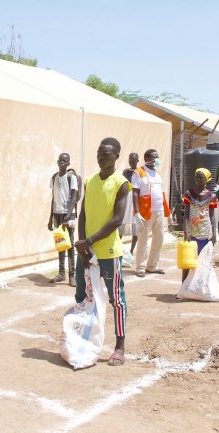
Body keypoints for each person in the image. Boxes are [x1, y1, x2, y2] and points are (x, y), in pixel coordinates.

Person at [74, 137, 130, 366]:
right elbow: (84, 214)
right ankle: (83, 339)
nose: (100, 156)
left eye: (105, 153)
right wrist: (81, 245)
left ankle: (120, 346)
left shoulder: (121, 183)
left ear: (116, 156)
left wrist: (89, 240)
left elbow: (117, 220)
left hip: (108, 251)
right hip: (86, 251)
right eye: (99, 153)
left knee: (116, 299)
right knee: (81, 296)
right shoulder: (90, 181)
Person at [131, 149, 170, 277]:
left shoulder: (156, 173)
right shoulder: (139, 173)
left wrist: (166, 212)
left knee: (159, 238)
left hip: (158, 211)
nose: (157, 160)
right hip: (145, 212)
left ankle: (152, 265)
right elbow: (135, 193)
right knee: (143, 239)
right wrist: (136, 212)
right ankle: (140, 267)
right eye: (155, 157)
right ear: (148, 159)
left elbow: (161, 193)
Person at [47, 153, 78, 286]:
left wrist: (68, 216)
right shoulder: (54, 177)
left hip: (68, 214)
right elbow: (53, 198)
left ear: (68, 164)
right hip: (56, 214)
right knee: (60, 243)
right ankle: (61, 273)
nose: (62, 163)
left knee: (70, 244)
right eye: (60, 161)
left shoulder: (71, 177)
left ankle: (72, 275)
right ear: (57, 161)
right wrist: (50, 218)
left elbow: (74, 198)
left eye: (65, 161)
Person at [181, 168, 218, 281]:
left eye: (201, 177)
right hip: (191, 232)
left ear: (206, 179)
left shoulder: (211, 196)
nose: (198, 179)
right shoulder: (189, 194)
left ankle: (201, 288)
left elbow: (212, 216)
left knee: (204, 262)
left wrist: (214, 233)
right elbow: (186, 215)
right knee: (187, 261)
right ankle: (183, 287)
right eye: (197, 176)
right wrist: (186, 231)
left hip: (205, 232)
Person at [121, 152, 139, 254]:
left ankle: (132, 250)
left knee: (135, 225)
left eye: (134, 160)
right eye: (130, 160)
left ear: (137, 160)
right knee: (121, 223)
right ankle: (119, 247)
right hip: (126, 199)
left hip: (135, 200)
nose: (132, 162)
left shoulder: (140, 172)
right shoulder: (125, 171)